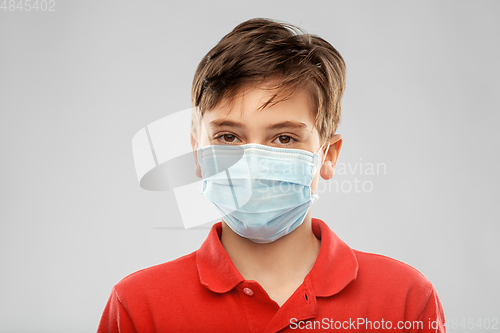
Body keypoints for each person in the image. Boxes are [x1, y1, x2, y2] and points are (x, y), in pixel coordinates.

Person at [97, 18, 446, 332]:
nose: (253, 161)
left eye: (284, 138)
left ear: (329, 155)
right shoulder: (139, 308)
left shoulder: (404, 301)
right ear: (198, 154)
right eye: (228, 136)